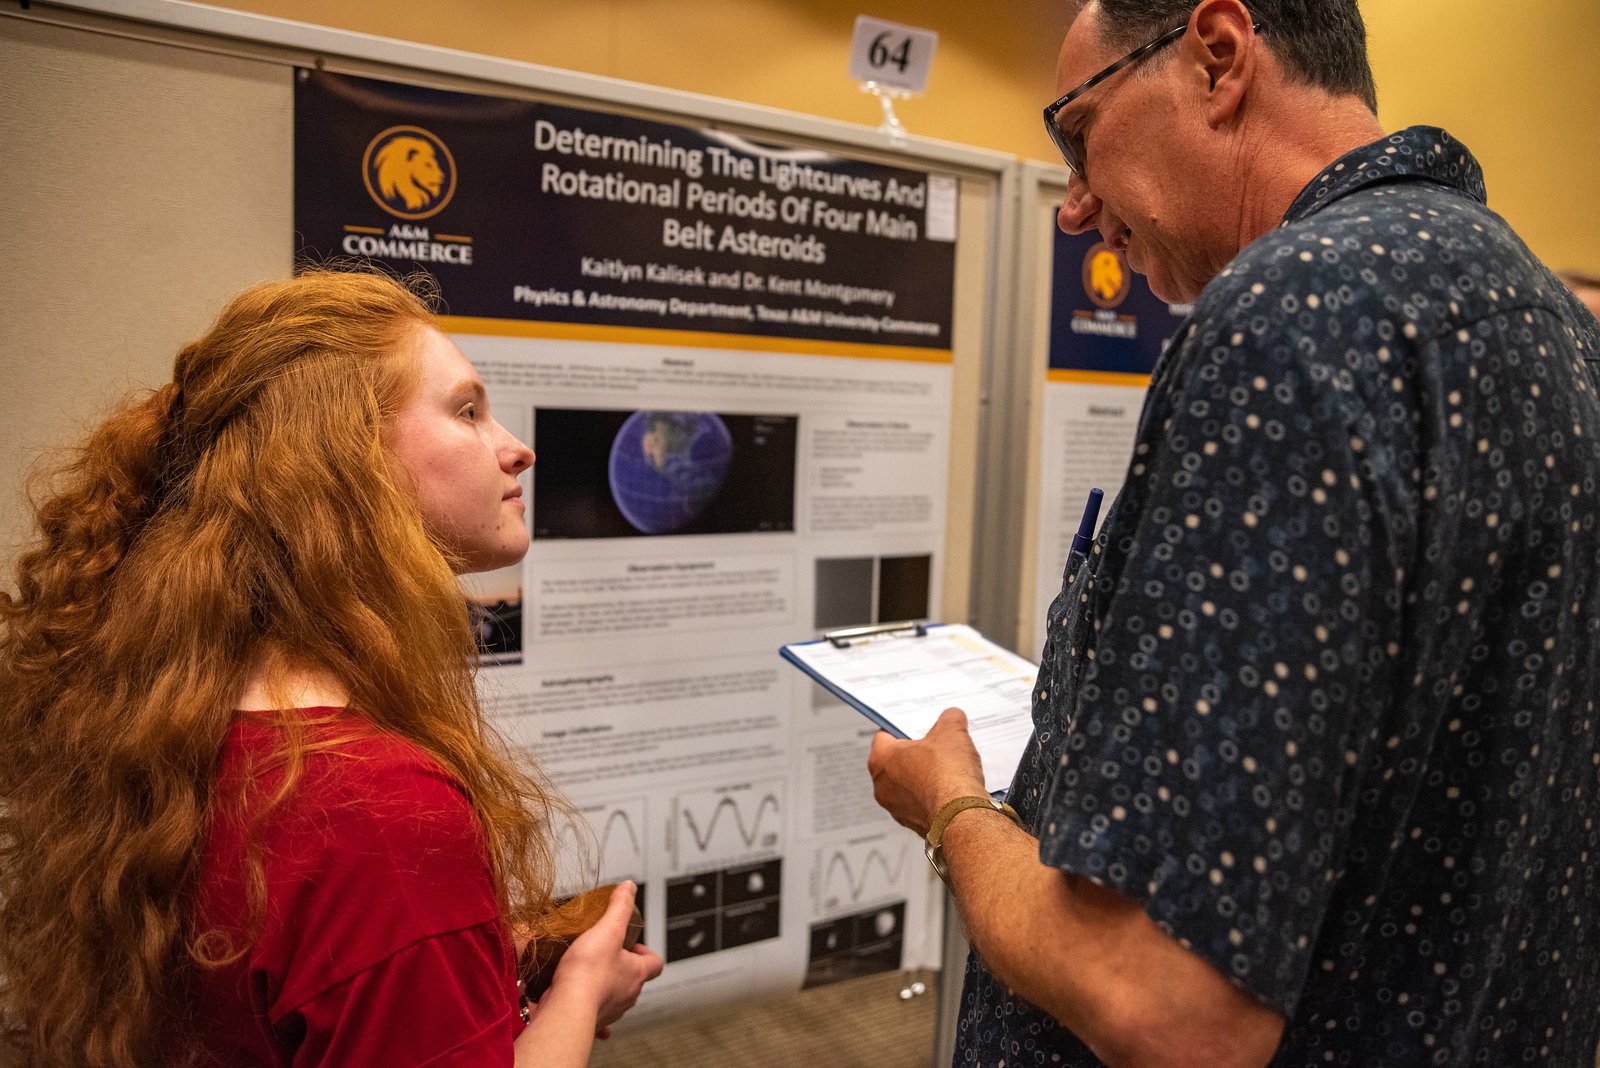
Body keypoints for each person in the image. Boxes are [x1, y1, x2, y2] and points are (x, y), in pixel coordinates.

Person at [867, 2, 1600, 1066]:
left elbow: (1163, 1004)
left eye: (1078, 133)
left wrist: (955, 812)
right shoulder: (1560, 333)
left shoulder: (1290, 318)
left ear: (1217, 56)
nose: (1073, 208)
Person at [0, 271, 662, 1067]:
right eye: (466, 410)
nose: (515, 448)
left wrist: (452, 954)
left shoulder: (170, 722)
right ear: (343, 464)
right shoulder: (377, 814)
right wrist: (581, 988)